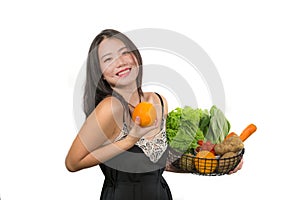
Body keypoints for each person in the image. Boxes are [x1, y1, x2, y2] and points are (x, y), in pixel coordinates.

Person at [65, 29, 243, 200]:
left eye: (124, 52)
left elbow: (157, 164)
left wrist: (213, 165)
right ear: (101, 74)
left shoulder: (158, 101)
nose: (120, 62)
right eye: (108, 59)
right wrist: (130, 140)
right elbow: (72, 163)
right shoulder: (110, 108)